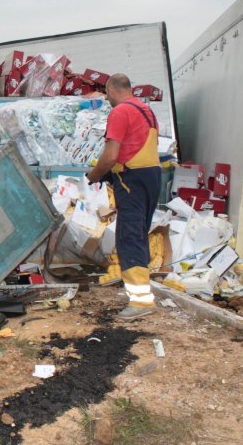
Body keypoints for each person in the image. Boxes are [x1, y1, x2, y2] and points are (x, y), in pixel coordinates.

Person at [86, 73, 161, 320]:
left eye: (107, 93)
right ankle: (140, 290)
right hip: (151, 177)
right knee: (138, 233)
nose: (107, 98)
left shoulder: (119, 112)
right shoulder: (146, 111)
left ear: (112, 90)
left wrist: (94, 176)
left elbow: (110, 156)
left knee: (129, 236)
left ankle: (140, 302)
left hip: (132, 180)